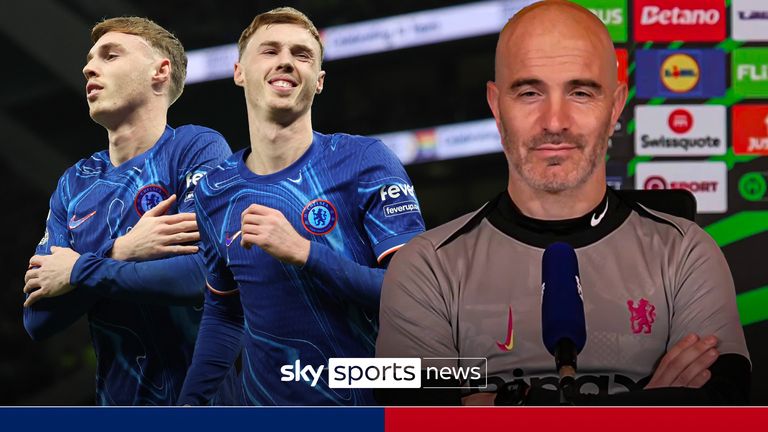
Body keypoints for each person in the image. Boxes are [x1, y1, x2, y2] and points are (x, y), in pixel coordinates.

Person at [375, 0, 750, 405]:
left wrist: (504, 405)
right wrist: (650, 404)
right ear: (496, 106)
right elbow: (418, 416)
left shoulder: (686, 252)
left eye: (581, 92)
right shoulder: (425, 267)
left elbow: (720, 407)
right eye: (530, 92)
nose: (555, 121)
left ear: (615, 106)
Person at [177, 7, 425, 406]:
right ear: (239, 72)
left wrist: (305, 252)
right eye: (270, 51)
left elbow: (415, 294)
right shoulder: (212, 190)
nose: (286, 61)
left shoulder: (364, 160)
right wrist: (189, 406)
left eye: (302, 54)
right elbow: (224, 313)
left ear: (319, 81)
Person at [22, 17, 239, 405]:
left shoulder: (196, 148)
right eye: (90, 59)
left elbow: (196, 277)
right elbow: (38, 318)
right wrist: (120, 252)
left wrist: (78, 270)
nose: (89, 67)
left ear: (160, 71)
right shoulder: (75, 182)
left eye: (110, 55)